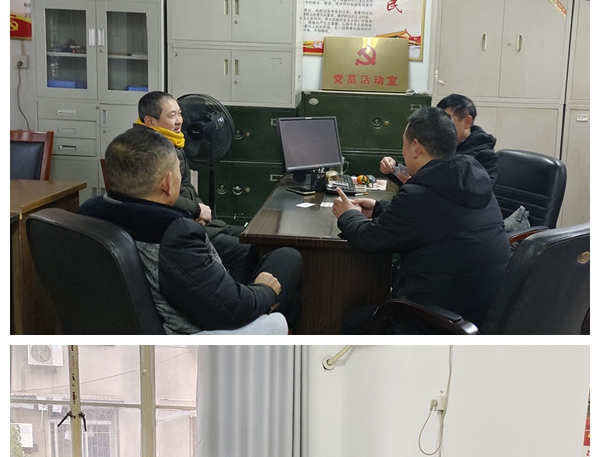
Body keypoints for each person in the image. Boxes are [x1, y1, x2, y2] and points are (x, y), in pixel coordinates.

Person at [79, 127, 302, 334]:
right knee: (288, 260)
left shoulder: (91, 212)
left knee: (287, 288)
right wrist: (264, 290)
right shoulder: (173, 232)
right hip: (195, 334)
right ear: (167, 183)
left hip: (131, 321)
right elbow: (232, 310)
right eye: (178, 171)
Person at [333, 107, 510, 334]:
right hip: (483, 316)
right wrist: (378, 208)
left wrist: (347, 214)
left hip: (438, 322)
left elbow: (370, 239)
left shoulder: (421, 193)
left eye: (404, 144)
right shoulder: (472, 178)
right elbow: (435, 219)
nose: (402, 150)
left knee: (354, 320)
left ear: (416, 147)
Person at [137, 91, 257, 283]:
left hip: (193, 219)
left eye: (179, 114)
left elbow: (187, 186)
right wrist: (196, 210)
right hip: (176, 226)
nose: (179, 121)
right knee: (246, 250)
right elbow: (159, 197)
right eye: (172, 116)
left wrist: (201, 212)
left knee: (255, 238)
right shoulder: (147, 150)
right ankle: (233, 298)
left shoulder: (173, 141)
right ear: (150, 121)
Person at [380, 94, 498, 186]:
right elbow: (416, 171)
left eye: (447, 120)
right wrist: (393, 168)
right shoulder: (437, 142)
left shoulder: (484, 156)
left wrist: (422, 184)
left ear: (467, 122)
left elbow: (477, 192)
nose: (440, 125)